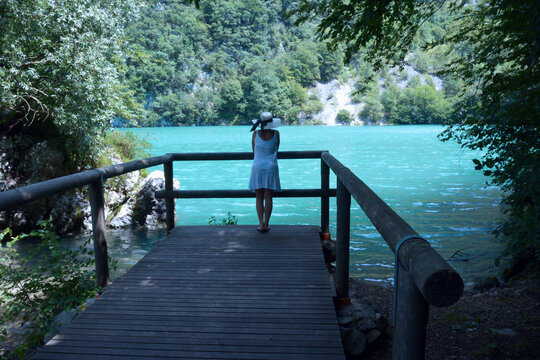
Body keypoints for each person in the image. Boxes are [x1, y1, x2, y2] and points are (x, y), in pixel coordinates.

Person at [249, 112, 281, 232]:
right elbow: (276, 150)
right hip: (271, 166)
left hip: (257, 166)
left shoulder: (255, 134)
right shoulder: (276, 134)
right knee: (268, 196)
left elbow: (254, 152)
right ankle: (267, 224)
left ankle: (261, 224)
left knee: (258, 197)